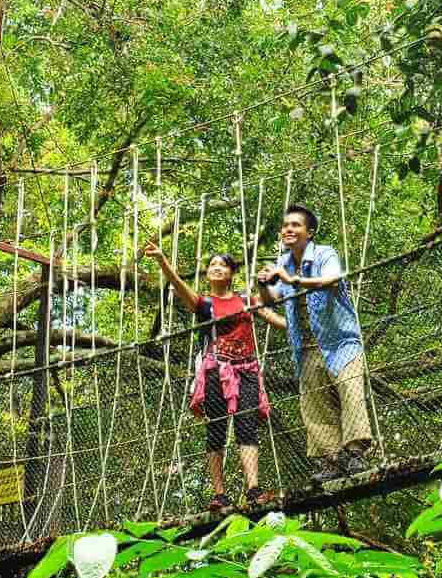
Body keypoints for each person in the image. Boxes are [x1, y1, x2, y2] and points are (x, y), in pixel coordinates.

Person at [144, 244, 286, 512]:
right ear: (208, 274)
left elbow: (275, 317)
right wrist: (163, 260)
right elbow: (176, 283)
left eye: (222, 264)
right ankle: (219, 494)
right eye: (212, 265)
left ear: (232, 272)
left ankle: (253, 488)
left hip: (246, 370)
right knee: (217, 429)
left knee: (246, 425)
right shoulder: (204, 304)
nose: (216, 268)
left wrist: (300, 314)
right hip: (215, 371)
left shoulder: (246, 300)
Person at [256, 204, 374, 482]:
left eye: (295, 225)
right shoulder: (282, 263)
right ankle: (332, 460)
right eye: (285, 225)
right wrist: (262, 284)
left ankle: (355, 454)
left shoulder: (324, 253)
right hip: (306, 347)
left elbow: (333, 280)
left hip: (341, 341)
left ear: (310, 232)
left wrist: (293, 279)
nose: (288, 229)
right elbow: (271, 300)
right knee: (314, 404)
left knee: (350, 391)